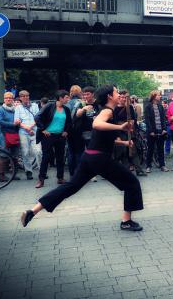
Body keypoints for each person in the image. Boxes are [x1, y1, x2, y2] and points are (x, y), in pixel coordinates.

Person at [20, 85, 144, 231]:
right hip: (100, 159)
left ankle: (32, 211)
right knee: (131, 182)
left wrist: (123, 142)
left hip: (89, 157)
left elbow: (103, 136)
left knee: (71, 187)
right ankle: (126, 221)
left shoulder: (108, 111)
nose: (119, 94)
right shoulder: (107, 111)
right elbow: (96, 124)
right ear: (110, 96)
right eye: (117, 92)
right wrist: (120, 128)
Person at [35, 90, 72, 188]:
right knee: (46, 157)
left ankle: (60, 178)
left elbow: (69, 122)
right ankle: (41, 179)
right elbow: (37, 117)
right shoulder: (49, 106)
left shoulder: (66, 109)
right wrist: (43, 129)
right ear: (60, 98)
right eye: (67, 97)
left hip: (60, 136)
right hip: (48, 136)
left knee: (60, 157)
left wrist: (66, 131)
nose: (68, 99)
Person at [113, 90, 145, 176]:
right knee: (123, 152)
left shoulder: (130, 107)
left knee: (134, 150)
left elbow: (133, 119)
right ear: (119, 98)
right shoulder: (115, 108)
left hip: (131, 132)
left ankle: (139, 170)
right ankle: (126, 171)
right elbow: (115, 123)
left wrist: (131, 126)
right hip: (120, 132)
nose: (123, 99)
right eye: (122, 97)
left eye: (125, 97)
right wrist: (122, 129)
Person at [72, 86, 100, 180]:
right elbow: (76, 114)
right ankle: (81, 172)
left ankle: (93, 172)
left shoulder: (98, 104)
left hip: (94, 131)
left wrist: (98, 118)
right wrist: (84, 109)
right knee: (80, 153)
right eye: (84, 94)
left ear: (93, 94)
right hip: (81, 131)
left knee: (93, 152)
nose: (85, 96)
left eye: (88, 94)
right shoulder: (80, 103)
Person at [14, 90, 41, 180]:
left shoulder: (35, 106)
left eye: (27, 96)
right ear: (20, 98)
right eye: (24, 96)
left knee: (38, 151)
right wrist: (27, 128)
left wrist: (31, 127)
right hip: (23, 132)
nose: (26, 97)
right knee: (25, 153)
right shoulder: (18, 108)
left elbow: (38, 118)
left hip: (34, 131)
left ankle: (42, 170)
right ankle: (28, 171)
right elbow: (17, 121)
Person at [0, 92, 21, 181]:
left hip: (15, 134)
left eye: (10, 98)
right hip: (4, 135)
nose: (8, 99)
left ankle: (14, 174)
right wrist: (13, 124)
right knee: (3, 155)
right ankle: (2, 176)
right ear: (4, 99)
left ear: (13, 99)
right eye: (6, 98)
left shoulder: (16, 109)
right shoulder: (0, 109)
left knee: (15, 155)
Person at [143, 90, 169, 173]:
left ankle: (162, 165)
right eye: (158, 95)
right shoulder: (148, 107)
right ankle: (148, 166)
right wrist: (150, 131)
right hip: (151, 132)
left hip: (161, 131)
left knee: (160, 149)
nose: (160, 96)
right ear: (154, 96)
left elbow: (163, 119)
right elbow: (147, 120)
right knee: (150, 149)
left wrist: (164, 129)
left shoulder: (160, 106)